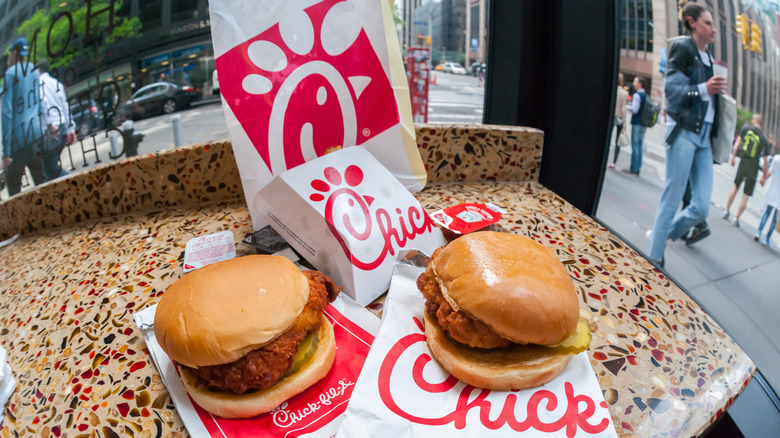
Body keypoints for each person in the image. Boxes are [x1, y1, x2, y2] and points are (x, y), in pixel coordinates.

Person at [647, 2, 726, 266]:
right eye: (707, 23)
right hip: (683, 132)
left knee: (702, 207)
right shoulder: (684, 48)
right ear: (692, 22)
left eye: (713, 24)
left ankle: (661, 235)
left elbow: (710, 102)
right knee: (672, 196)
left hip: (703, 138)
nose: (713, 29)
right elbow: (672, 91)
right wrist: (704, 88)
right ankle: (653, 259)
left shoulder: (708, 55)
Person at [1, 37, 46, 196]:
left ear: (14, 53)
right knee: (42, 184)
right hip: (36, 135)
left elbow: (6, 113)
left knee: (14, 192)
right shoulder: (33, 69)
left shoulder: (10, 74)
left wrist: (5, 152)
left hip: (17, 141)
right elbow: (39, 102)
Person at [722, 114, 770, 227]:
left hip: (743, 162)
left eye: (753, 118)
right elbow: (765, 161)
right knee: (746, 195)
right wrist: (763, 176)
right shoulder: (764, 139)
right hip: (753, 166)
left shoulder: (746, 129)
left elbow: (738, 143)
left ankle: (726, 210)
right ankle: (736, 217)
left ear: (756, 120)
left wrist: (733, 156)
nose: (752, 120)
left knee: (735, 187)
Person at [37, 59, 77, 181]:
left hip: (52, 129)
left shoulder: (38, 84)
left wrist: (50, 125)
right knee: (50, 169)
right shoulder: (56, 83)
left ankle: (74, 182)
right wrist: (71, 129)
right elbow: (65, 106)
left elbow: (43, 105)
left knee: (50, 168)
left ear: (38, 69)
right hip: (62, 126)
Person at [624, 76, 648, 176]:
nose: (634, 83)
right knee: (640, 145)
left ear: (640, 84)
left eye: (635, 81)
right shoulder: (646, 95)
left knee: (635, 145)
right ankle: (637, 168)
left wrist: (625, 106)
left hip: (637, 122)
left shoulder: (637, 95)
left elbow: (635, 109)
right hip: (643, 123)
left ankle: (633, 168)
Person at [755, 150, 779, 245]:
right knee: (775, 218)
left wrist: (763, 179)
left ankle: (758, 232)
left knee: (767, 213)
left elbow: (769, 172)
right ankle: (767, 238)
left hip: (773, 190)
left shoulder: (776, 159)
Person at [609, 73, 629, 170]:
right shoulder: (624, 93)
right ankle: (613, 162)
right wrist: (625, 124)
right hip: (620, 117)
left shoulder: (612, 89)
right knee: (618, 140)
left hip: (611, 116)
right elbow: (624, 109)